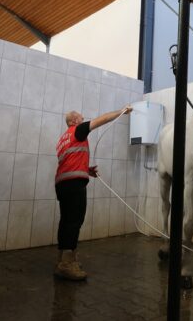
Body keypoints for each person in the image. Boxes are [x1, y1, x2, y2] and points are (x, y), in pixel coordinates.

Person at [53, 105, 132, 280]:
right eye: (81, 117)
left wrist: (86, 170)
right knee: (74, 221)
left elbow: (69, 161)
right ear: (73, 121)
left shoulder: (62, 139)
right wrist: (121, 111)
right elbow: (102, 119)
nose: (84, 119)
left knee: (66, 221)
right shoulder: (77, 130)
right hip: (74, 185)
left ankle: (63, 259)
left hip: (62, 183)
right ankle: (67, 265)